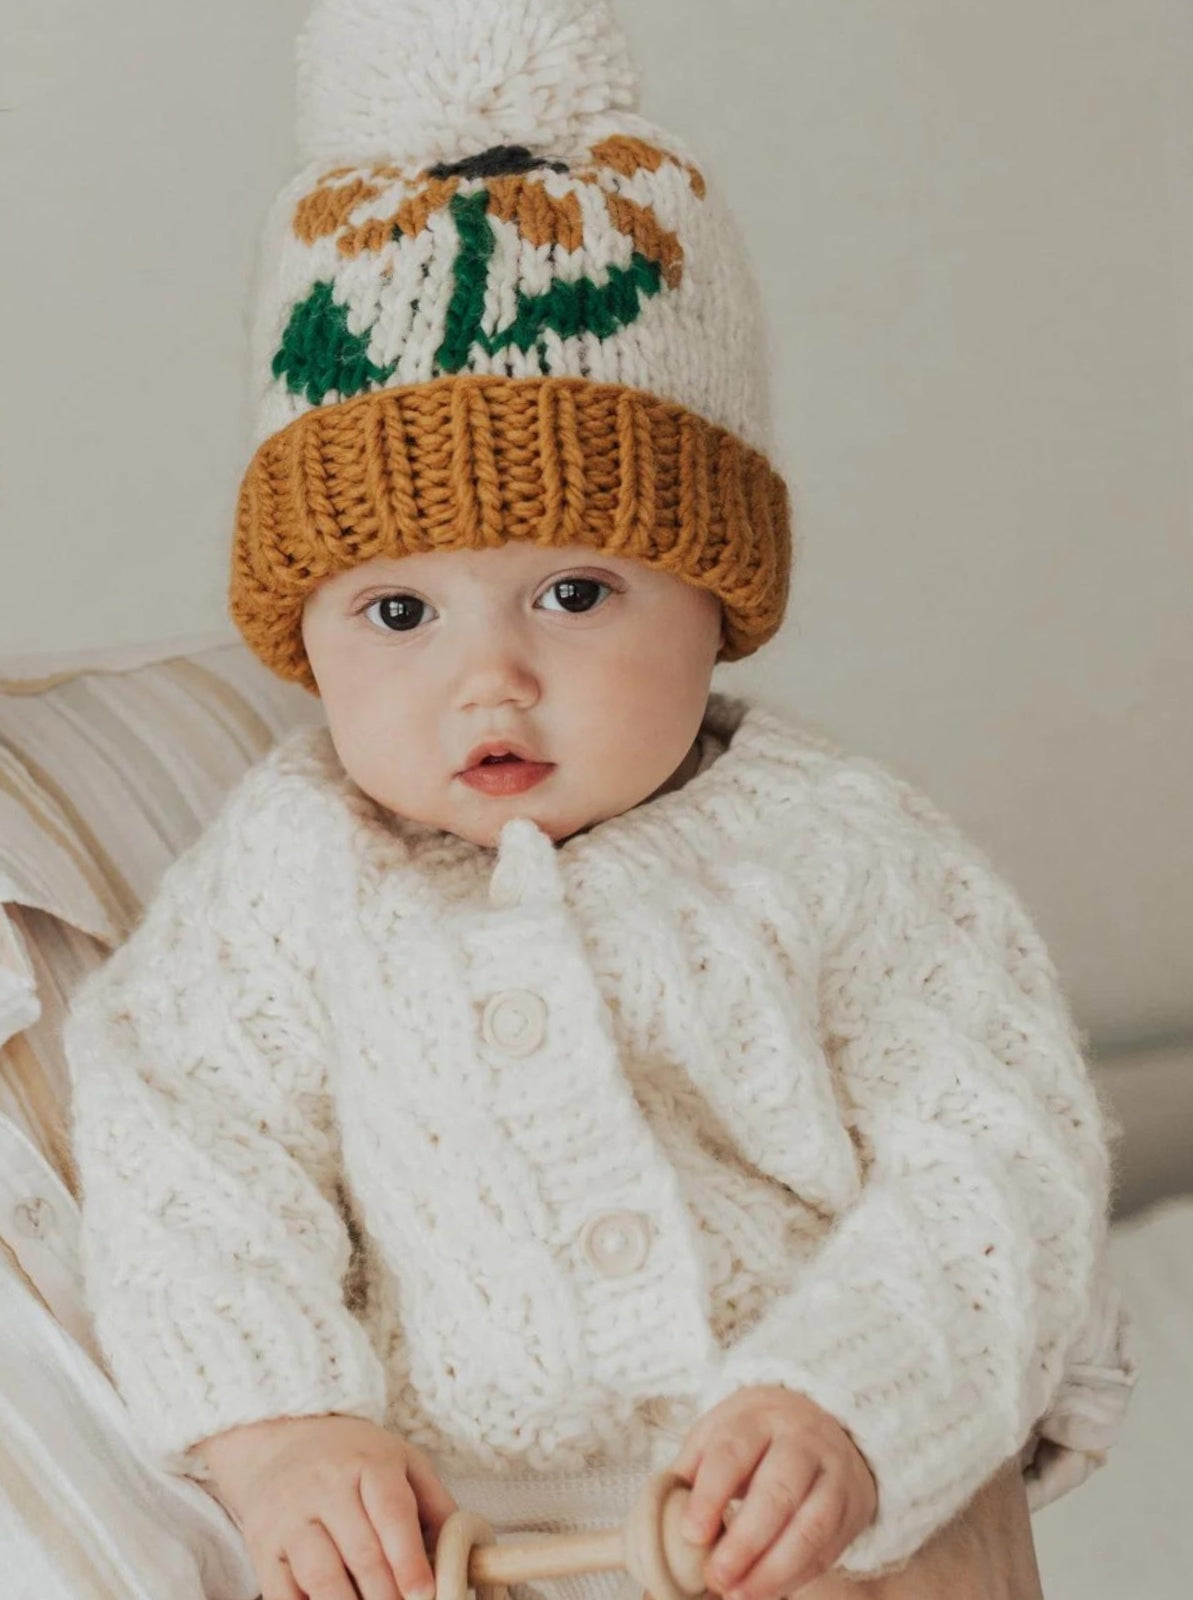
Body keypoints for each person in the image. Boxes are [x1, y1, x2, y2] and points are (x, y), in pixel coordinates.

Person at [62, 3, 1137, 1599]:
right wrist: (280, 1429)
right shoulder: (288, 875)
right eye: (400, 615)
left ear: (717, 600)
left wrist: (852, 1398)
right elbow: (183, 1148)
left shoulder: (843, 851)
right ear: (307, 639)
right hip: (469, 1542)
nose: (487, 680)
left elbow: (997, 1153)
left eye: (573, 593)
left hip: (841, 1513)